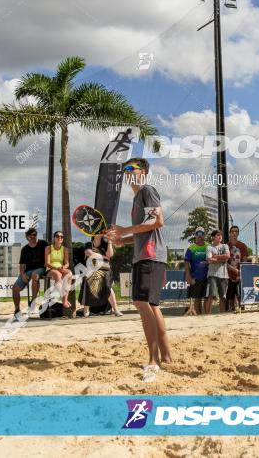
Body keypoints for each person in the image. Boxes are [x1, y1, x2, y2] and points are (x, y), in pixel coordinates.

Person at [106, 157, 171, 371]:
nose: (126, 172)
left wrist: (125, 230)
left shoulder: (146, 190)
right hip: (147, 254)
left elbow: (157, 221)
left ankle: (154, 359)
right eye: (124, 169)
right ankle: (166, 357)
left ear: (142, 171)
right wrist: (122, 240)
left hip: (150, 256)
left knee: (141, 303)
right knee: (152, 305)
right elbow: (143, 232)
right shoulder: (136, 199)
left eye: (130, 168)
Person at [81, 232, 123, 317]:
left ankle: (116, 309)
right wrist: (103, 257)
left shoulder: (106, 244)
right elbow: (89, 253)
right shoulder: (89, 244)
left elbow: (110, 255)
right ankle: (86, 309)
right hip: (92, 268)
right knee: (90, 284)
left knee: (108, 287)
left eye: (100, 232)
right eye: (97, 232)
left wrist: (110, 242)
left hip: (105, 269)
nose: (99, 233)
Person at [12, 228, 48, 317]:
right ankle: (17, 309)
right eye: (30, 235)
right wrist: (22, 274)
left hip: (41, 268)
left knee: (35, 275)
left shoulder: (43, 244)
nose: (32, 237)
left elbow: (51, 254)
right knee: (15, 289)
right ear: (27, 237)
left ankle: (34, 300)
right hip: (27, 271)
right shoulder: (24, 249)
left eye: (34, 234)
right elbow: (22, 264)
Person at [44, 231, 73, 311]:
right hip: (51, 269)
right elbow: (47, 263)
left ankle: (64, 300)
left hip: (61, 268)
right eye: (57, 236)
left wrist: (64, 267)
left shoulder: (65, 249)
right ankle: (63, 298)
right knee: (57, 274)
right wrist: (57, 268)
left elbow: (67, 263)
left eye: (61, 236)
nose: (59, 238)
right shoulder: (48, 248)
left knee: (69, 273)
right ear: (54, 238)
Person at [183, 227, 209, 316]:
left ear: (204, 235)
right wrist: (188, 275)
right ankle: (198, 316)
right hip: (196, 277)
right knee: (197, 299)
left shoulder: (208, 246)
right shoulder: (191, 248)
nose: (200, 236)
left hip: (208, 276)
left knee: (207, 298)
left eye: (201, 234)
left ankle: (207, 316)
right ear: (195, 235)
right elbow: (186, 263)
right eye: (198, 234)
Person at [205, 230, 230, 315]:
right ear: (213, 237)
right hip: (212, 275)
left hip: (224, 275)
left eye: (221, 235)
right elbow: (209, 260)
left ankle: (222, 314)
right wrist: (222, 260)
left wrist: (216, 257)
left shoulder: (225, 246)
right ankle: (208, 315)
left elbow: (227, 256)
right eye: (218, 235)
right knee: (211, 296)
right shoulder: (209, 247)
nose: (220, 237)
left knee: (223, 297)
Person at [225, 225, 249, 312]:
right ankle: (231, 310)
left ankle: (242, 309)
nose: (234, 233)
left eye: (236, 231)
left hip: (240, 274)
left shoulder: (242, 246)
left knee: (240, 295)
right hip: (228, 275)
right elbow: (224, 263)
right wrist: (234, 270)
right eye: (232, 231)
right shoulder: (225, 246)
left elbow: (245, 261)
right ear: (230, 233)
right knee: (230, 296)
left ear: (238, 233)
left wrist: (240, 273)